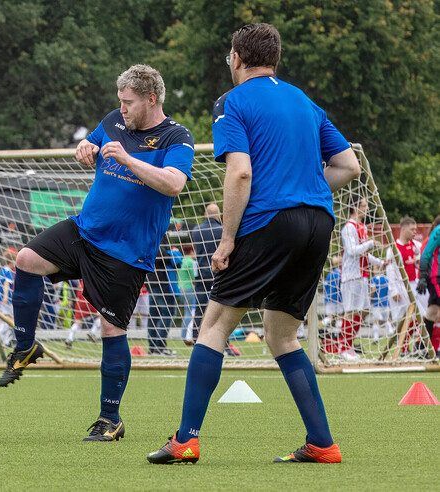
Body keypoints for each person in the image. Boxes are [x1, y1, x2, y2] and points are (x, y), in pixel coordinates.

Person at [148, 23, 360, 465]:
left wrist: (227, 239)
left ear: (238, 59)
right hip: (318, 221)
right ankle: (322, 443)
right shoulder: (304, 100)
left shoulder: (233, 101)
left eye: (229, 54)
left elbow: (240, 172)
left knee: (215, 325)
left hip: (269, 222)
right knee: (282, 335)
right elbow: (348, 165)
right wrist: (304, 190)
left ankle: (185, 439)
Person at [0, 64, 194, 442]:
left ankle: (110, 420)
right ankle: (25, 345)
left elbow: (173, 185)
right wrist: (84, 148)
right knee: (25, 260)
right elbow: (89, 146)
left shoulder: (176, 137)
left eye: (129, 102)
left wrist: (128, 160)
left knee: (111, 328)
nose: (122, 108)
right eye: (119, 101)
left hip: (125, 251)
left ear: (151, 100)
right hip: (84, 231)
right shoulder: (113, 121)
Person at [337, 196, 384, 359]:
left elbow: (364, 254)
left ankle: (349, 345)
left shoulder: (362, 227)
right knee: (350, 311)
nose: (366, 208)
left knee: (364, 311)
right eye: (364, 205)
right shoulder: (348, 227)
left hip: (362, 275)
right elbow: (351, 251)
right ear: (355, 207)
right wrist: (371, 243)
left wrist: (381, 262)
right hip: (351, 276)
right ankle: (344, 348)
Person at [186, 203, 222, 343]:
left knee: (200, 308)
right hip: (217, 272)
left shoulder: (196, 230)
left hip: (201, 273)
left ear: (205, 215)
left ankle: (196, 337)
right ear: (218, 214)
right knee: (219, 309)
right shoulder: (222, 230)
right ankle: (221, 342)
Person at [417, 216, 440, 346]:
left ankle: (421, 345)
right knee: (433, 311)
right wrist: (423, 276)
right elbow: (426, 254)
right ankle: (423, 345)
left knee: (432, 311)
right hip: (436, 277)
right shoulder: (438, 231)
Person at [0, 248, 17, 347]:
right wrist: (6, 296)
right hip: (5, 300)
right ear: (11, 262)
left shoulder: (1, 270)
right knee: (10, 320)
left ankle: (6, 341)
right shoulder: (8, 272)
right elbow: (6, 284)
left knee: (8, 320)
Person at [178, 244, 198, 339]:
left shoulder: (182, 260)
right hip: (189, 288)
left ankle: (184, 334)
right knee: (189, 313)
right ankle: (185, 335)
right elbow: (194, 277)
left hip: (181, 288)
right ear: (191, 251)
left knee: (186, 312)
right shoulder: (191, 262)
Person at [368, 264, 392, 342]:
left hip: (376, 303)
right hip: (386, 303)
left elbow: (373, 290)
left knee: (376, 321)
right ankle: (392, 334)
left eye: (373, 268)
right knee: (387, 320)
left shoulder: (373, 279)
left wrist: (369, 298)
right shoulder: (387, 279)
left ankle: (376, 338)